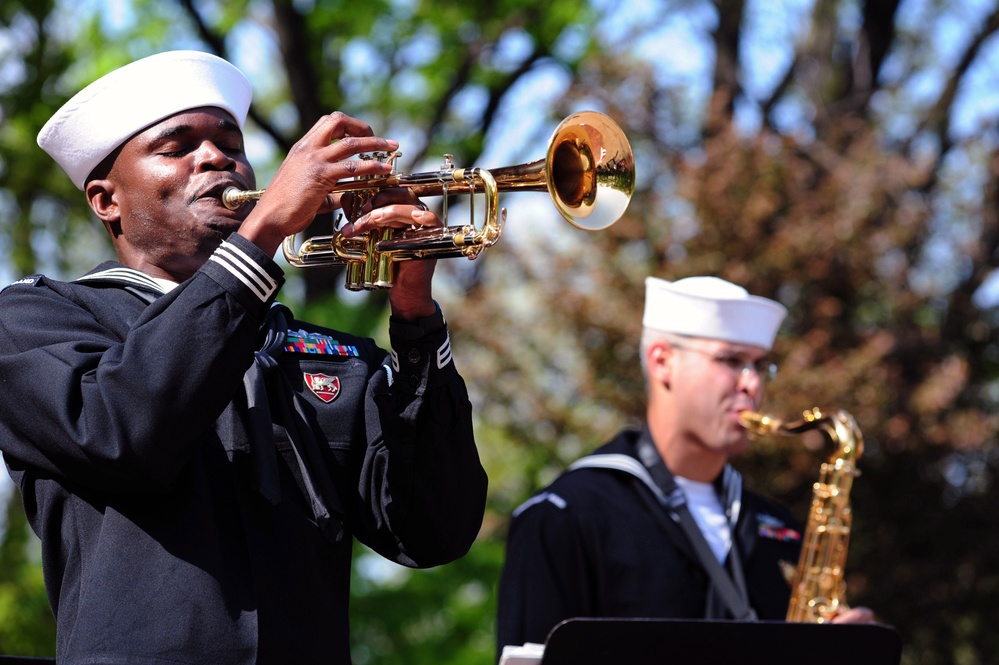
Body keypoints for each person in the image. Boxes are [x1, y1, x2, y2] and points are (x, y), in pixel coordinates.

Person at [0, 50, 487, 665]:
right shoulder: (34, 320)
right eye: (176, 147)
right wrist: (264, 233)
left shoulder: (321, 351)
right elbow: (123, 435)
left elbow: (431, 529)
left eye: (230, 142)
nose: (214, 158)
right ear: (106, 200)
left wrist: (416, 317)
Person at [495, 275, 874, 654]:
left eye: (760, 366)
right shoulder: (563, 516)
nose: (753, 385)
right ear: (662, 362)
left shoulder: (779, 528)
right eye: (731, 360)